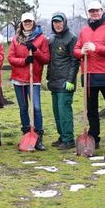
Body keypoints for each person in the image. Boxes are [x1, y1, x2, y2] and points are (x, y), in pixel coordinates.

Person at [73, 0, 105, 148]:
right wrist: (80, 52)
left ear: (102, 10)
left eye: (96, 10)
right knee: (91, 109)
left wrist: (97, 48)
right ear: (88, 13)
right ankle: (94, 136)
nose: (94, 13)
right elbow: (76, 49)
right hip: (88, 75)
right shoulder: (84, 30)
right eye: (91, 11)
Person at [8, 12, 50, 150]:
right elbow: (11, 58)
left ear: (33, 22)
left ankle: (38, 136)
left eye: (29, 21)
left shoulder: (41, 39)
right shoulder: (16, 39)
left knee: (36, 108)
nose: (27, 23)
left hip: (34, 79)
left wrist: (35, 50)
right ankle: (26, 134)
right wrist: (24, 61)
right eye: (25, 21)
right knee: (23, 108)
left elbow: (46, 59)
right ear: (21, 23)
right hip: (19, 79)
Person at [46, 12, 80, 150]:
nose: (57, 24)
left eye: (59, 22)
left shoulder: (71, 38)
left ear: (64, 22)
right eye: (55, 22)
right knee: (57, 111)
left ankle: (68, 139)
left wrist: (71, 80)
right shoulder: (52, 39)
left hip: (66, 82)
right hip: (54, 80)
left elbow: (75, 60)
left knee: (64, 110)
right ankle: (62, 136)